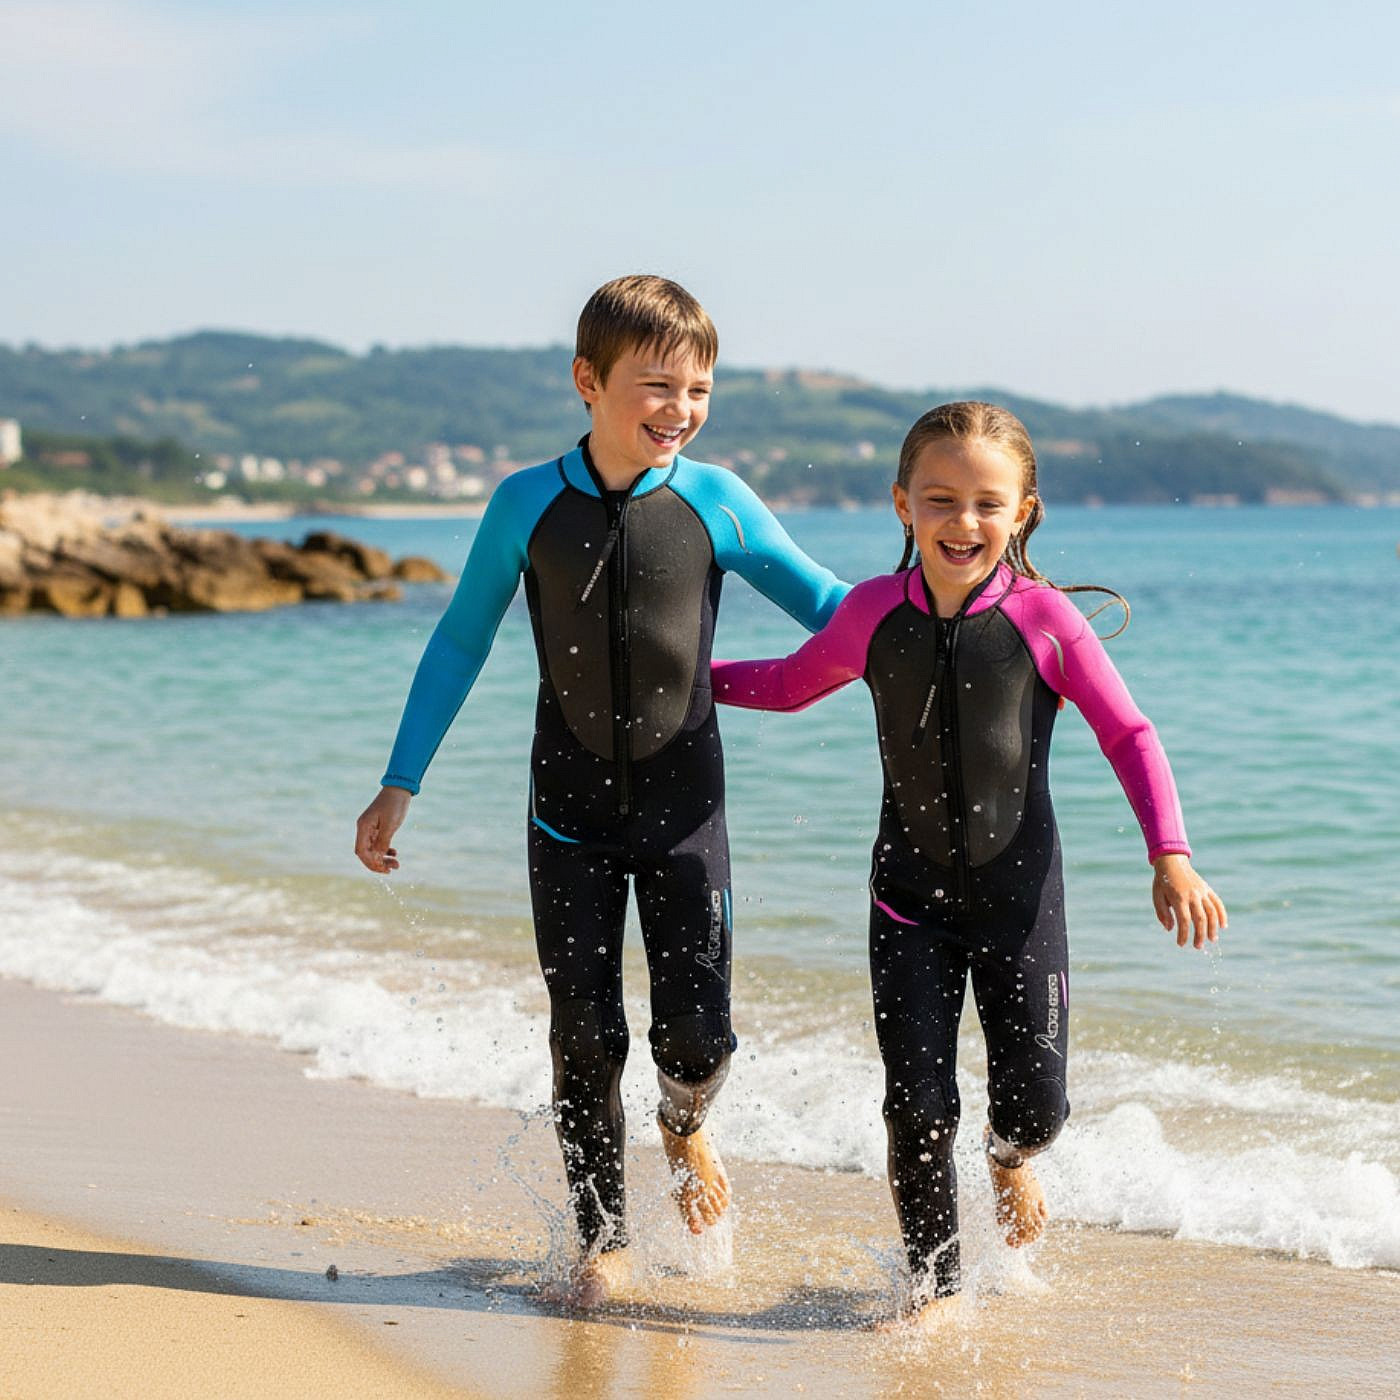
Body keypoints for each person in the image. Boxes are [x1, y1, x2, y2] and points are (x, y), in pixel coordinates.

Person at [354, 275, 847, 1307]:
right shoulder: (524, 503)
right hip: (566, 810)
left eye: (698, 388)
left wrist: (955, 613)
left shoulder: (716, 499)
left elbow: (830, 609)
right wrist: (400, 781)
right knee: (583, 1033)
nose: (680, 408)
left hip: (686, 813)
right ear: (588, 380)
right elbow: (461, 639)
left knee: (695, 1037)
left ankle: (684, 1121)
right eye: (657, 384)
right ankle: (603, 1240)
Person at [712, 400, 1226, 1329]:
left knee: (1036, 1109)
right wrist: (692, 683)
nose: (964, 522)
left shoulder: (1044, 620)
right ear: (902, 504)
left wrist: (1172, 856)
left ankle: (1010, 1159)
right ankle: (933, 1291)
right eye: (941, 499)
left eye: (988, 503)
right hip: (906, 905)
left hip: (1018, 907)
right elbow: (789, 685)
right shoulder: (872, 612)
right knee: (915, 1108)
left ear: (1022, 512)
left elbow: (1129, 734)